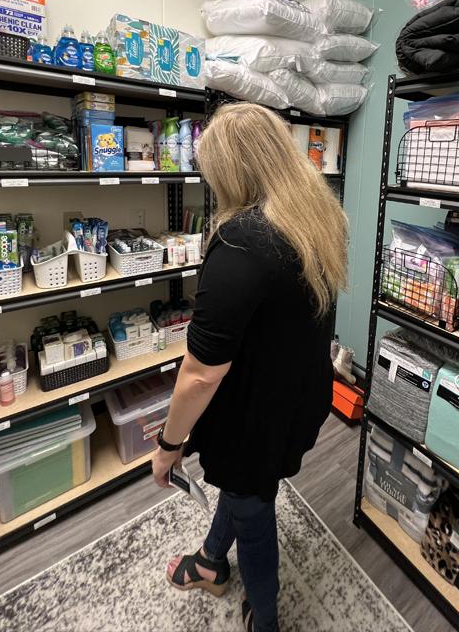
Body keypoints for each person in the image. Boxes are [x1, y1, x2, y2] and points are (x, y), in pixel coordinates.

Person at [152, 102, 348, 632]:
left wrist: (169, 447)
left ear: (229, 172)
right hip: (303, 394)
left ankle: (266, 619)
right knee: (249, 490)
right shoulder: (317, 214)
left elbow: (200, 374)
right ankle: (213, 561)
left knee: (252, 507)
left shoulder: (239, 243)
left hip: (255, 419)